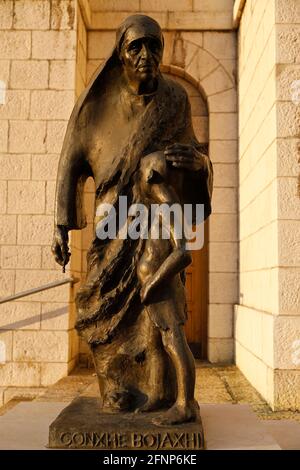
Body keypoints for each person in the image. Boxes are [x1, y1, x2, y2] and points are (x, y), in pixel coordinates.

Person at [52, 14, 213, 425]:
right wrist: (61, 228)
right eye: (135, 47)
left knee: (157, 321)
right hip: (111, 227)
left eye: (153, 46)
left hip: (154, 225)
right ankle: (115, 385)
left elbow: (193, 155)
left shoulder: (175, 100)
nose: (146, 55)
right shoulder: (96, 107)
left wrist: (199, 163)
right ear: (121, 53)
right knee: (100, 304)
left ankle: (162, 392)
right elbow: (70, 163)